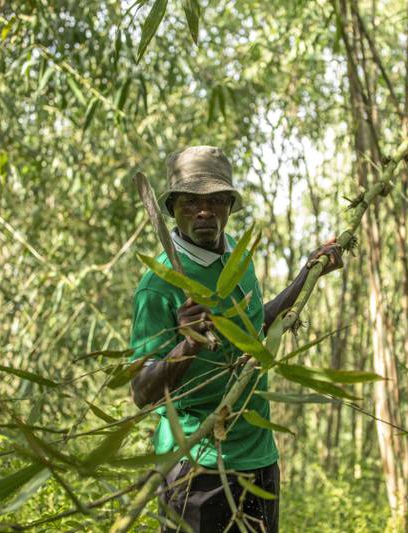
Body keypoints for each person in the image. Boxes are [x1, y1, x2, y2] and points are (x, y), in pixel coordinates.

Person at [128, 146, 343, 533]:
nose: (204, 211)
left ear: (229, 205)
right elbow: (142, 393)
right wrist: (188, 343)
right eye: (191, 202)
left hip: (258, 459)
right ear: (173, 208)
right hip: (195, 466)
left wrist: (307, 273)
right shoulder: (157, 286)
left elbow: (256, 327)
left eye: (215, 200)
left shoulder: (237, 260)